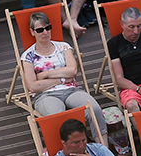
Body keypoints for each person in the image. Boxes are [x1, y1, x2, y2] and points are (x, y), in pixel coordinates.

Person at [19, 11, 104, 141]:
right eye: (40, 30)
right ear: (32, 32)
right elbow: (33, 86)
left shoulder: (64, 47)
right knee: (58, 118)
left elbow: (72, 71)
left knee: (95, 109)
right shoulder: (28, 56)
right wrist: (62, 79)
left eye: (48, 28)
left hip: (71, 90)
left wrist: (45, 75)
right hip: (45, 95)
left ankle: (104, 150)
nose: (45, 32)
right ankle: (70, 154)